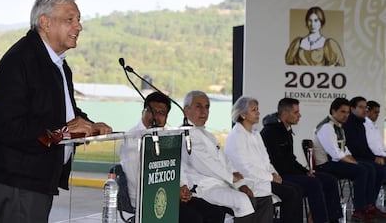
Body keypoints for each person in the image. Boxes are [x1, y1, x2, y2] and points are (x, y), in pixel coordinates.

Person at [0, 0, 112, 222]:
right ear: (45, 22)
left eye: (79, 20)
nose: (78, 27)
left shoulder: (58, 64)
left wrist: (89, 125)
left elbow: (63, 114)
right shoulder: (19, 62)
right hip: (17, 183)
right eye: (70, 19)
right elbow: (10, 128)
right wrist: (63, 132)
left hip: (36, 181)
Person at [118, 91, 225, 223]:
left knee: (215, 213)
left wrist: (183, 187)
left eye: (161, 113)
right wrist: (174, 192)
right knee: (192, 218)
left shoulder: (167, 135)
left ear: (166, 117)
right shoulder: (133, 139)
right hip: (146, 198)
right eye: (151, 111)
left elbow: (176, 166)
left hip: (170, 194)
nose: (156, 116)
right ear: (143, 112)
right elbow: (136, 179)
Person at [181, 90, 259, 223]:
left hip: (220, 184)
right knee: (242, 201)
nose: (204, 112)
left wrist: (240, 183)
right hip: (203, 188)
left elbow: (225, 161)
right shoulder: (185, 135)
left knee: (252, 195)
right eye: (198, 106)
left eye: (207, 107)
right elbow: (206, 164)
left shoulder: (208, 135)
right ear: (186, 110)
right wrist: (232, 179)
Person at [261, 97, 342, 223]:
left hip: (290, 172)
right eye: (296, 112)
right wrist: (303, 174)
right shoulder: (270, 132)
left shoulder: (286, 130)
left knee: (329, 180)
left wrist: (305, 171)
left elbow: (291, 159)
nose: (299, 115)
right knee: (313, 183)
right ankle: (320, 220)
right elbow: (278, 164)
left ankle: (333, 219)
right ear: (285, 113)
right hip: (279, 175)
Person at [225, 96, 303, 222]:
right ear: (243, 115)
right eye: (254, 110)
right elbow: (245, 168)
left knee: (295, 190)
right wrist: (271, 177)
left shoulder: (255, 134)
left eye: (257, 109)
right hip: (249, 184)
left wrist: (274, 173)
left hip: (263, 182)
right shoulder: (237, 136)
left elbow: (266, 160)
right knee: (291, 193)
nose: (258, 112)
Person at [313, 97, 386, 221]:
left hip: (336, 162)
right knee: (362, 170)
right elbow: (335, 153)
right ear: (333, 111)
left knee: (369, 167)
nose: (346, 115)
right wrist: (354, 162)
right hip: (325, 164)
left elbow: (344, 148)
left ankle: (369, 206)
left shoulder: (338, 125)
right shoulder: (327, 127)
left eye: (347, 112)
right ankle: (359, 210)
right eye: (342, 112)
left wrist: (353, 160)